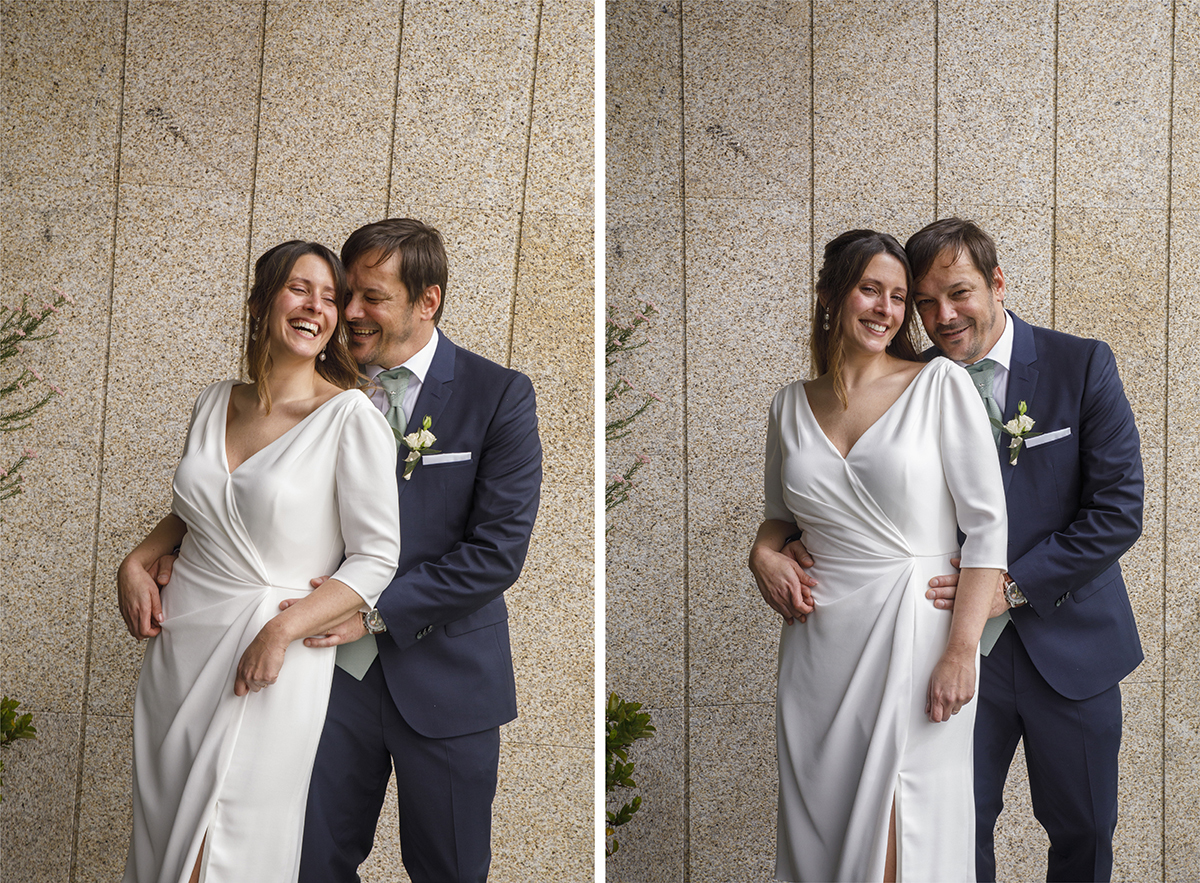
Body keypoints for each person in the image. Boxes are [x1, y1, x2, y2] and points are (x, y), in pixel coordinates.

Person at [117, 241, 401, 883]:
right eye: (301, 289)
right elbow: (209, 506)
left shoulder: (348, 416)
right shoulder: (215, 401)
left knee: (221, 851)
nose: (317, 308)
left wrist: (282, 631)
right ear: (263, 298)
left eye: (330, 297)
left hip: (271, 654)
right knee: (165, 841)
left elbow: (378, 556)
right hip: (180, 651)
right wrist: (137, 559)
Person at [748, 229, 1008, 882]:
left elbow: (987, 527)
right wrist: (762, 556)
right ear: (831, 295)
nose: (885, 309)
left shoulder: (941, 385)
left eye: (898, 297)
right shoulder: (788, 406)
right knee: (822, 837)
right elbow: (783, 517)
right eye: (870, 289)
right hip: (818, 650)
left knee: (905, 832)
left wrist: (960, 648)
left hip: (918, 638)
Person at [908, 218, 1143, 882]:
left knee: (1086, 830)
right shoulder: (910, 385)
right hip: (951, 652)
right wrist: (773, 546)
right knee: (954, 828)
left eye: (958, 292)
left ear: (997, 282)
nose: (943, 316)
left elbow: (1119, 511)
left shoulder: (1082, 364)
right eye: (926, 303)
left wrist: (1005, 588)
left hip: (1072, 645)